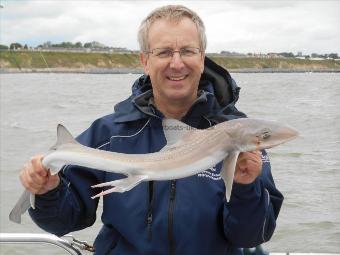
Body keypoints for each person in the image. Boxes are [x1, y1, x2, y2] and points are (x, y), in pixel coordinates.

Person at [20, 5, 283, 255]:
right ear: (145, 61)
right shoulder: (110, 134)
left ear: (202, 59)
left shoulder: (239, 133)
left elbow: (252, 235)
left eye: (188, 51)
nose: (177, 63)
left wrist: (245, 187)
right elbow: (62, 221)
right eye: (165, 52)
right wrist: (47, 191)